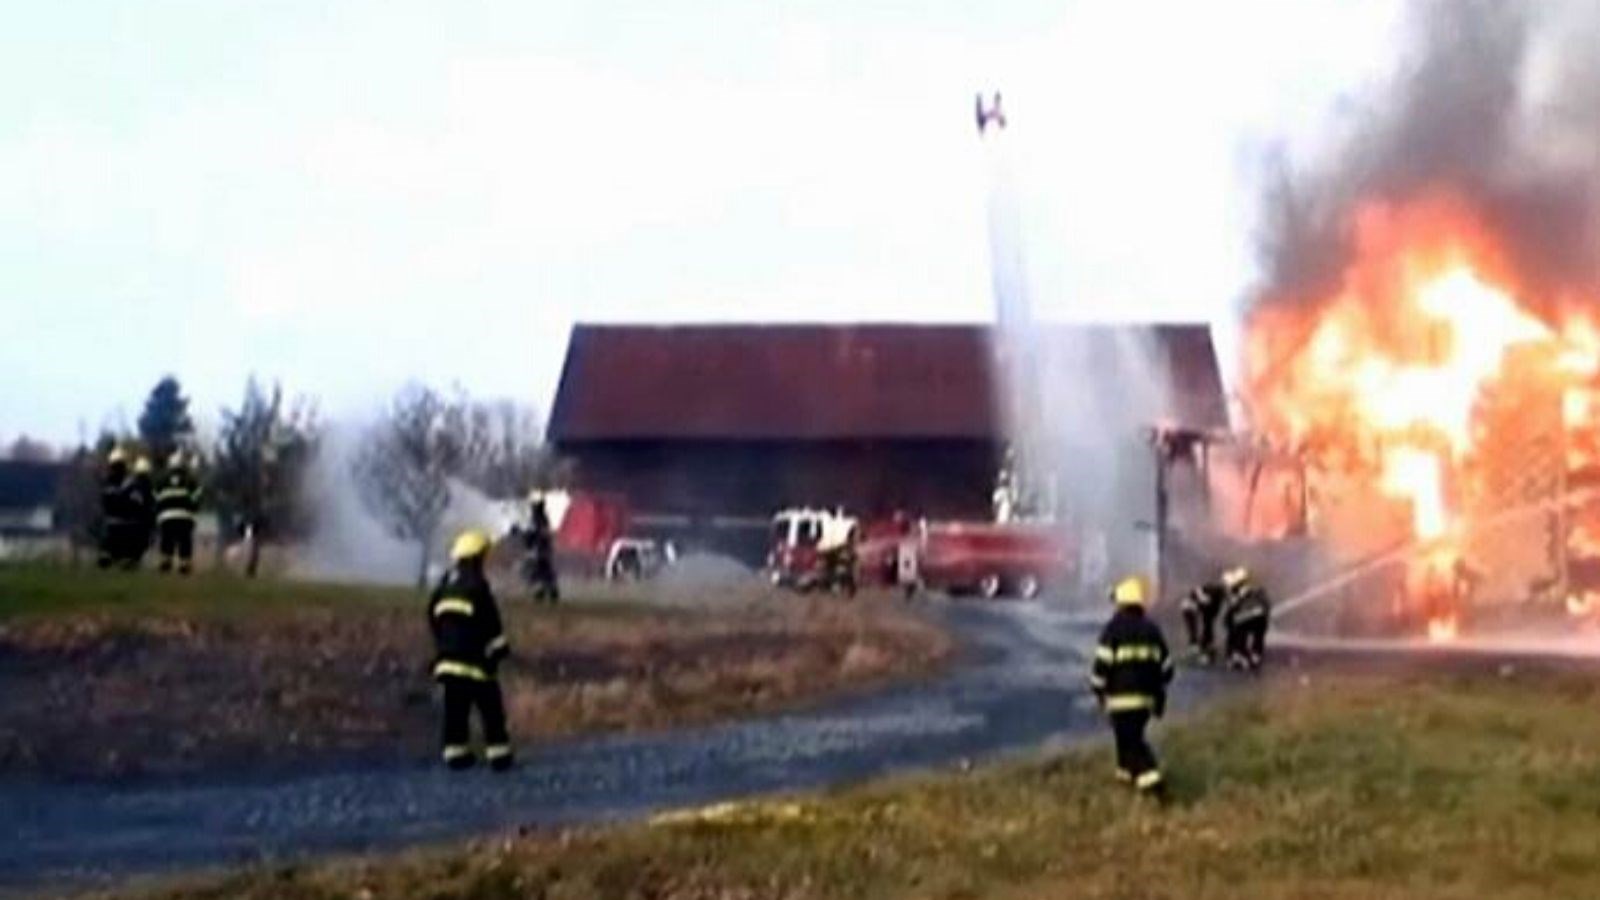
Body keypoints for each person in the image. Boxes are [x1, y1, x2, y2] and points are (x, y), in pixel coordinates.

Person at [429, 529, 513, 771]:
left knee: (455, 710)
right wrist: (500, 651)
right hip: (475, 663)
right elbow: (491, 625)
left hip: (447, 662)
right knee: (491, 709)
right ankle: (500, 755)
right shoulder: (478, 587)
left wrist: (443, 645)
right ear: (478, 558)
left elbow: (433, 617)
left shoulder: (444, 587)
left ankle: (456, 754)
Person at [1088, 576, 1174, 798]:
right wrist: (1157, 691)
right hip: (1146, 701)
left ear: (1121, 603)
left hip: (1120, 700)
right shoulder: (1152, 630)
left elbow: (1102, 665)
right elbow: (1167, 668)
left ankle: (1153, 784)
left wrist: (1098, 689)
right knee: (1126, 738)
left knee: (1132, 742)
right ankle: (1125, 777)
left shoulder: (1113, 629)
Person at [155, 451, 201, 574]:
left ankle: (166, 562)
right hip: (185, 517)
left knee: (167, 540)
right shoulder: (189, 480)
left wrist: (159, 513)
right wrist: (194, 510)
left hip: (166, 517)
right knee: (185, 541)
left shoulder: (162, 480)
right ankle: (184, 564)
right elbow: (196, 498)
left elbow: (156, 498)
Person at [1222, 567, 1272, 672]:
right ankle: (1247, 655)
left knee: (1239, 628)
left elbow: (1231, 612)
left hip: (1252, 619)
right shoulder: (1255, 590)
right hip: (1257, 618)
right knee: (1247, 630)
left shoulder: (1246, 593)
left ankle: (1241, 654)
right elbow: (1265, 605)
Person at [97, 449, 137, 569]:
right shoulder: (129, 482)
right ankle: (125, 560)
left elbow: (104, 500)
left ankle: (107, 556)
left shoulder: (106, 482)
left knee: (108, 542)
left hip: (111, 520)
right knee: (126, 544)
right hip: (126, 521)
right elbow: (135, 501)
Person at [521, 493, 560, 603]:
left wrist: (529, 542)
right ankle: (548, 590)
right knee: (544, 571)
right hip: (542, 551)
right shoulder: (543, 519)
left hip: (538, 551)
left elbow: (532, 535)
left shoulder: (537, 520)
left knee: (537, 571)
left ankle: (544, 591)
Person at [1179, 577, 1228, 664]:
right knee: (1201, 625)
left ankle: (1206, 648)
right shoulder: (1193, 604)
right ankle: (1198, 645)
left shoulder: (1212, 598)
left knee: (1207, 625)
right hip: (1198, 604)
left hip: (1207, 604)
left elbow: (1211, 606)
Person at [127, 456, 157, 569]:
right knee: (143, 543)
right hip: (144, 520)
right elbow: (153, 503)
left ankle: (132, 560)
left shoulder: (131, 484)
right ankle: (134, 561)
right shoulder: (149, 485)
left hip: (132, 519)